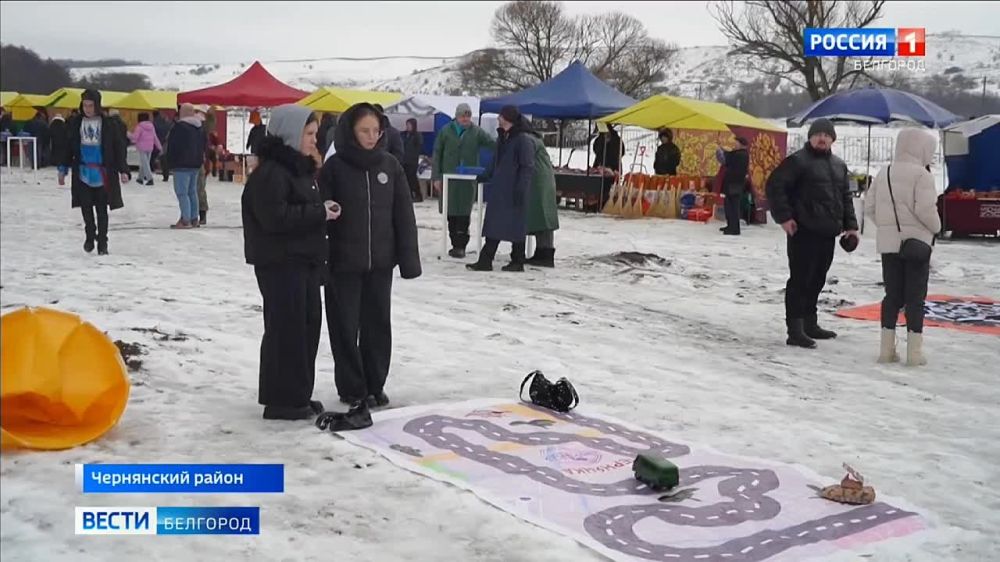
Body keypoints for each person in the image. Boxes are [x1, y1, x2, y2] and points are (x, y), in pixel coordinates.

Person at [317, 102, 421, 431]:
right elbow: (322, 216)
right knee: (345, 326)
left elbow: (403, 214)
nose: (372, 136)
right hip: (343, 263)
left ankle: (375, 385)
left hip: (380, 262)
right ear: (350, 130)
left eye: (377, 130)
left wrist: (408, 260)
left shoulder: (390, 165)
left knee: (378, 324)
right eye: (365, 130)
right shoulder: (334, 168)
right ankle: (352, 386)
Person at [242, 104, 338, 420]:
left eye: (315, 133)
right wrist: (318, 212)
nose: (314, 140)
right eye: (309, 134)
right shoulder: (272, 172)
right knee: (287, 332)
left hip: (303, 262)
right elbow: (275, 218)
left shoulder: (297, 169)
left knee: (305, 329)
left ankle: (298, 394)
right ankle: (282, 400)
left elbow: (297, 209)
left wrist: (321, 208)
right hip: (281, 264)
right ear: (290, 134)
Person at [766, 118, 859, 349]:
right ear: (810, 137)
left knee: (817, 279)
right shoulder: (797, 161)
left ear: (832, 139)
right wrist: (785, 218)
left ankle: (810, 323)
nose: (822, 138)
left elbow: (845, 198)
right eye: (818, 134)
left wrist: (851, 227)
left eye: (827, 135)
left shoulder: (839, 165)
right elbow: (775, 187)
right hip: (803, 231)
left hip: (827, 232)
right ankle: (795, 330)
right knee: (800, 280)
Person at [865, 129, 941, 367]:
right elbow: (925, 211)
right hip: (916, 245)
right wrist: (936, 228)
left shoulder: (883, 172)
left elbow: (869, 208)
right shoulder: (922, 175)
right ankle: (914, 354)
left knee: (892, 296)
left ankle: (886, 351)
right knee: (915, 298)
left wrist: (888, 228)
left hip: (889, 245)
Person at [467, 106, 535, 273]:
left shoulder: (522, 140)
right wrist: (486, 174)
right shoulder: (503, 137)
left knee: (515, 226)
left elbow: (527, 166)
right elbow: (495, 161)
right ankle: (486, 259)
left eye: (501, 115)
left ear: (507, 118)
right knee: (494, 224)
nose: (498, 118)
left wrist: (521, 188)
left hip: (514, 189)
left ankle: (517, 261)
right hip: (500, 189)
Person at [63, 89, 129, 255]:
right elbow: (67, 147)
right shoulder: (75, 123)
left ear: (97, 105)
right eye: (85, 105)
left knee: (101, 210)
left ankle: (102, 242)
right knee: (86, 208)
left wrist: (123, 170)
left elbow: (119, 148)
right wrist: (62, 168)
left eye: (91, 105)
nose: (87, 109)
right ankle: (90, 235)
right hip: (83, 172)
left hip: (103, 173)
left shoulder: (109, 124)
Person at [432, 103, 496, 258]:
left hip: (467, 181)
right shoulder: (446, 131)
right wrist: (436, 177)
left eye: (468, 116)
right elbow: (437, 153)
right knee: (450, 213)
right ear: (457, 116)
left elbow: (492, 143)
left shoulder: (476, 132)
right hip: (449, 180)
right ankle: (454, 243)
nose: (466, 119)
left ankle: (461, 246)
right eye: (463, 116)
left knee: (464, 213)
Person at [166, 103, 207, 229]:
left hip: (181, 164)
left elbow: (172, 145)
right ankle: (194, 218)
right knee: (192, 191)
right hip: (195, 164)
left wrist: (169, 161)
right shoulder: (199, 127)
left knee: (182, 192)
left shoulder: (179, 127)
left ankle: (185, 220)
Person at [524, 125, 559, 268]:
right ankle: (543, 252)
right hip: (544, 180)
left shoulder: (528, 140)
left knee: (541, 218)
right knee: (544, 218)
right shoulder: (536, 139)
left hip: (538, 181)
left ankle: (544, 255)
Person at [716, 136, 750, 235]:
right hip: (733, 183)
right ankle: (730, 225)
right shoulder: (739, 154)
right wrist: (721, 149)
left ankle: (734, 228)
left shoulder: (740, 155)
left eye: (736, 143)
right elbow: (728, 154)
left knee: (733, 206)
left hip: (734, 183)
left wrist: (719, 150)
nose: (734, 145)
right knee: (728, 204)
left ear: (740, 144)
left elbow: (726, 158)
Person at [128, 112, 162, 186]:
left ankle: (150, 179)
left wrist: (128, 134)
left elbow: (134, 138)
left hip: (142, 148)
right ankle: (140, 178)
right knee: (145, 163)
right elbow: (155, 137)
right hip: (150, 147)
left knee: (145, 164)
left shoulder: (139, 127)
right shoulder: (151, 126)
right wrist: (159, 147)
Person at [401, 118, 423, 202]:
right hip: (404, 160)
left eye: (409, 125)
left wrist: (413, 156)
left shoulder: (417, 135)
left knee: (412, 178)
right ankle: (409, 195)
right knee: (406, 178)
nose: (407, 127)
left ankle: (418, 195)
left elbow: (418, 148)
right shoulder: (404, 135)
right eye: (407, 125)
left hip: (412, 161)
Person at [49, 113, 70, 185]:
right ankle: (62, 173)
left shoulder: (51, 126)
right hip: (65, 147)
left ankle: (60, 172)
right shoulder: (64, 126)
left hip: (55, 146)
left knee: (59, 161)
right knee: (64, 161)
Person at [152, 110, 172, 177]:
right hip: (165, 142)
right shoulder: (166, 122)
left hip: (156, 142)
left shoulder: (154, 123)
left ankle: (151, 170)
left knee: (152, 158)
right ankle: (165, 173)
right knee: (163, 158)